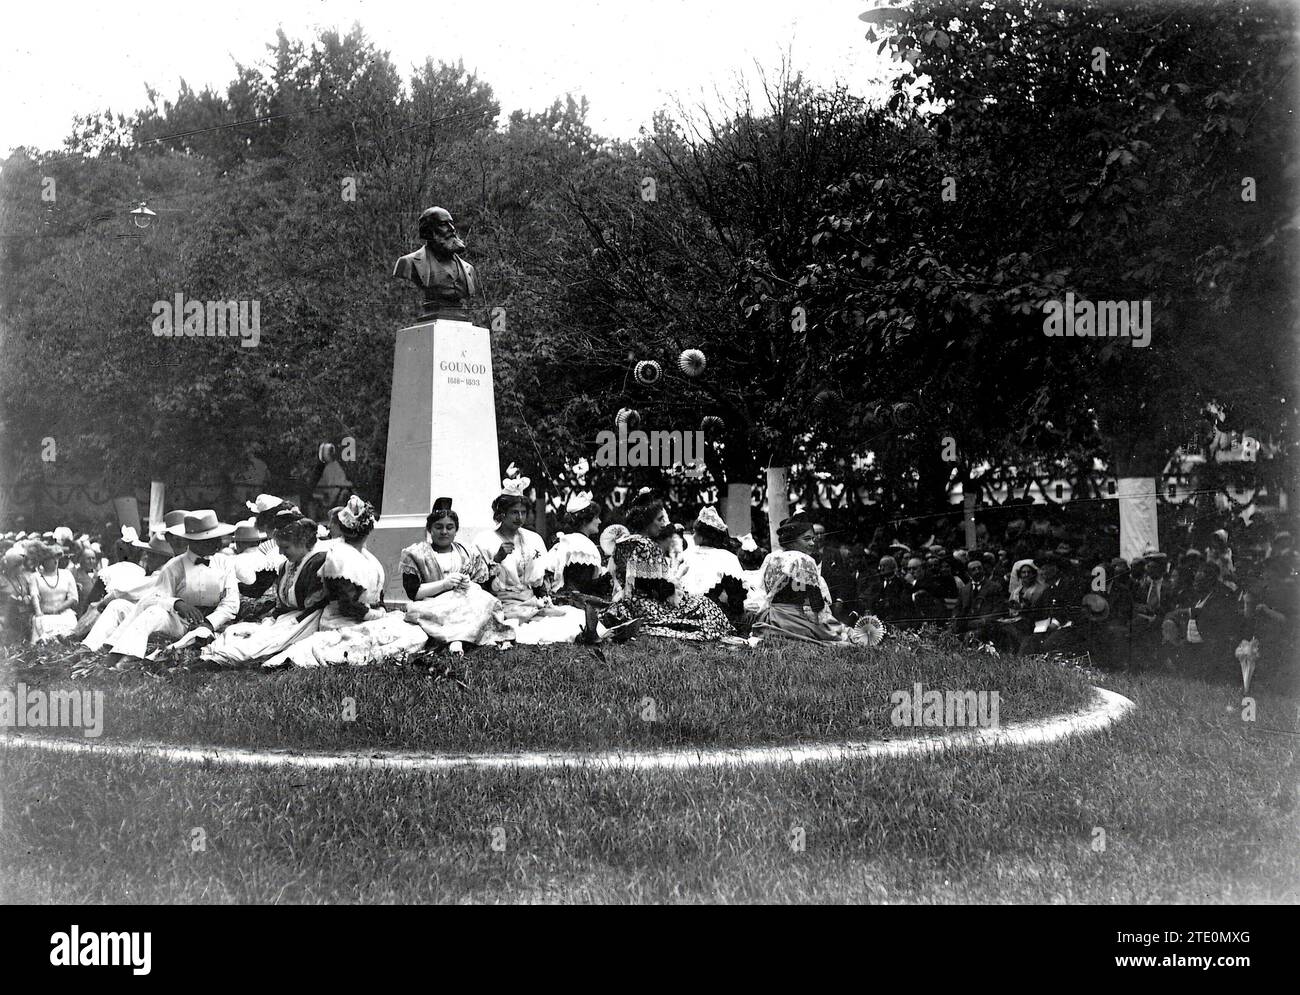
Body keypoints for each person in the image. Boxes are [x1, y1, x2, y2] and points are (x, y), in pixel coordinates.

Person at [262, 496, 426, 668]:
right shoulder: (339, 556)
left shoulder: (365, 555)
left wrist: (380, 609)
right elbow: (346, 604)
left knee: (412, 632)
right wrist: (375, 615)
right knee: (398, 637)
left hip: (362, 615)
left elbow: (377, 593)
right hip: (341, 620)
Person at [80, 510, 241, 669]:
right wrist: (177, 603)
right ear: (193, 542)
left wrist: (209, 623)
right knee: (149, 611)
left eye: (217, 539)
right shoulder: (175, 566)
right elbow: (156, 596)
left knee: (144, 608)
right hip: (179, 621)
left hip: (208, 623)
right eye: (210, 540)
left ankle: (118, 656)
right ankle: (116, 653)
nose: (218, 544)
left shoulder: (224, 563)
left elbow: (231, 602)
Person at [200, 516, 331, 667]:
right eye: (279, 547)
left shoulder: (317, 562)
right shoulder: (286, 566)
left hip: (308, 620)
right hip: (286, 618)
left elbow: (314, 604)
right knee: (238, 632)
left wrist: (285, 623)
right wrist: (272, 620)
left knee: (261, 644)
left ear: (301, 543)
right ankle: (214, 656)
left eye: (286, 547)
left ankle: (216, 661)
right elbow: (281, 605)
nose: (281, 552)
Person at [474, 470, 585, 645]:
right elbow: (479, 584)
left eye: (523, 512)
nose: (520, 518)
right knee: (532, 629)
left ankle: (586, 632)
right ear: (501, 513)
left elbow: (539, 579)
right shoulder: (484, 540)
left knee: (571, 616)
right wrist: (497, 559)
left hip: (530, 601)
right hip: (501, 604)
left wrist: (545, 599)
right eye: (514, 512)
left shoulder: (533, 538)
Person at [604, 492, 733, 641]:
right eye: (659, 519)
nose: (663, 524)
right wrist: (673, 589)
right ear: (646, 522)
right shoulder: (646, 545)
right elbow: (653, 586)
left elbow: (623, 576)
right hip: (647, 606)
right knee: (704, 604)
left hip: (627, 603)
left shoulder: (623, 542)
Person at [401, 498, 514, 655]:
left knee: (482, 599)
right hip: (433, 603)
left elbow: (481, 581)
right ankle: (457, 640)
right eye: (438, 527)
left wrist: (467, 583)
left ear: (456, 530)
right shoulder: (416, 554)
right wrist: (444, 584)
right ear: (429, 529)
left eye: (450, 527)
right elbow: (414, 593)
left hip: (462, 600)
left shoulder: (467, 552)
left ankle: (458, 640)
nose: (444, 532)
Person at [751, 517, 848, 644]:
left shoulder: (772, 557)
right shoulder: (804, 559)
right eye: (807, 539)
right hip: (793, 620)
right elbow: (816, 603)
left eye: (813, 539)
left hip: (771, 618)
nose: (813, 543)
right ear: (792, 541)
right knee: (840, 637)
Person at [679, 506, 748, 627]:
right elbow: (737, 595)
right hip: (711, 612)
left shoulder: (687, 555)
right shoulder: (726, 557)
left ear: (705, 536)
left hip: (684, 609)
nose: (693, 536)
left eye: (696, 533)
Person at [543, 493, 613, 601]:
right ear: (585, 521)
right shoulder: (582, 546)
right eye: (597, 517)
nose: (599, 521)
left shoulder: (567, 540)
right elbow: (582, 586)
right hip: (575, 604)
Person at [28, 544, 82, 643]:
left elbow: (74, 598)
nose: (55, 561)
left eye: (57, 558)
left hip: (64, 613)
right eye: (51, 559)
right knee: (42, 626)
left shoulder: (66, 574)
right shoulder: (35, 576)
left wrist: (58, 609)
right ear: (43, 561)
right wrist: (38, 612)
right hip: (45, 614)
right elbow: (34, 595)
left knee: (70, 627)